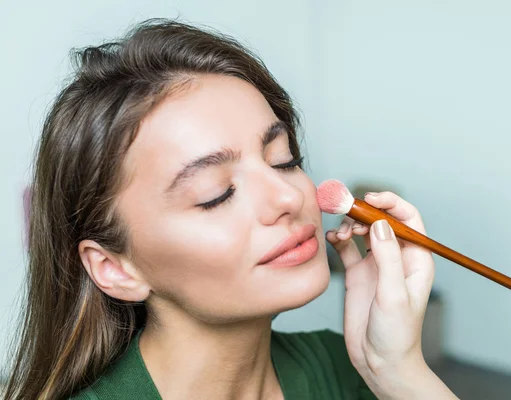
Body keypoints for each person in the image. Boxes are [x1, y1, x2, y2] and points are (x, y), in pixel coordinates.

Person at [3, 19, 457, 400]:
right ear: (114, 268)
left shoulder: (352, 373)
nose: (288, 197)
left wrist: (399, 371)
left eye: (285, 161)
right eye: (216, 193)